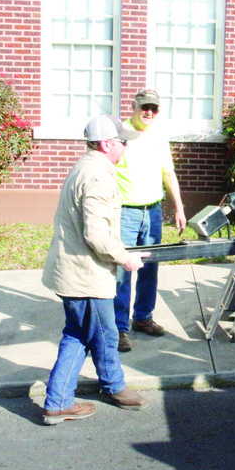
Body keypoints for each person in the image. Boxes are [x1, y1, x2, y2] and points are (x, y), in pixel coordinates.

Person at [41, 115, 151, 425]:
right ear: (106, 144)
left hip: (73, 271)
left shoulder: (86, 166)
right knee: (104, 335)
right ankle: (110, 387)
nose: (125, 148)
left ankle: (61, 400)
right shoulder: (99, 176)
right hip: (85, 275)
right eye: (122, 142)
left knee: (78, 334)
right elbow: (96, 235)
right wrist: (125, 258)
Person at [113, 89, 187, 352]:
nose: (148, 112)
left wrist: (178, 207)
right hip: (125, 212)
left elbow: (168, 173)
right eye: (144, 107)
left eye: (154, 109)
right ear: (134, 106)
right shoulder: (120, 133)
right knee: (123, 269)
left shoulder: (158, 136)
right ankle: (119, 327)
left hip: (153, 212)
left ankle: (142, 318)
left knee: (149, 267)